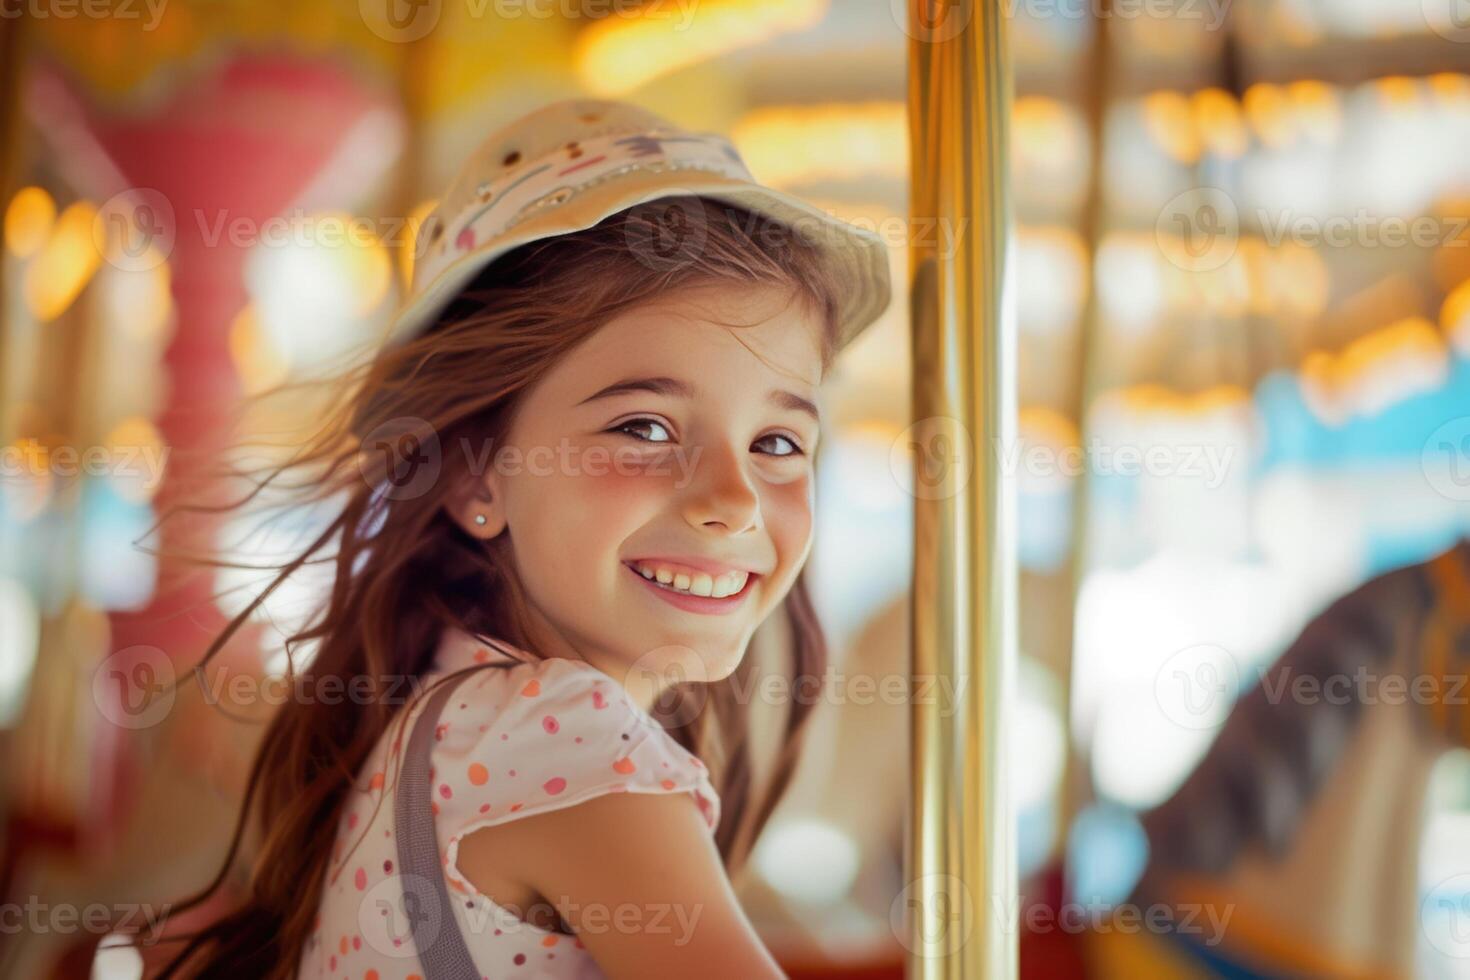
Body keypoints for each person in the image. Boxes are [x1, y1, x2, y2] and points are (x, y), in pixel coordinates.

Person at [148, 97, 891, 979]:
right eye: (644, 429)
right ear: (474, 475)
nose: (732, 499)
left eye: (776, 443)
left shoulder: (456, 712)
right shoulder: (566, 741)